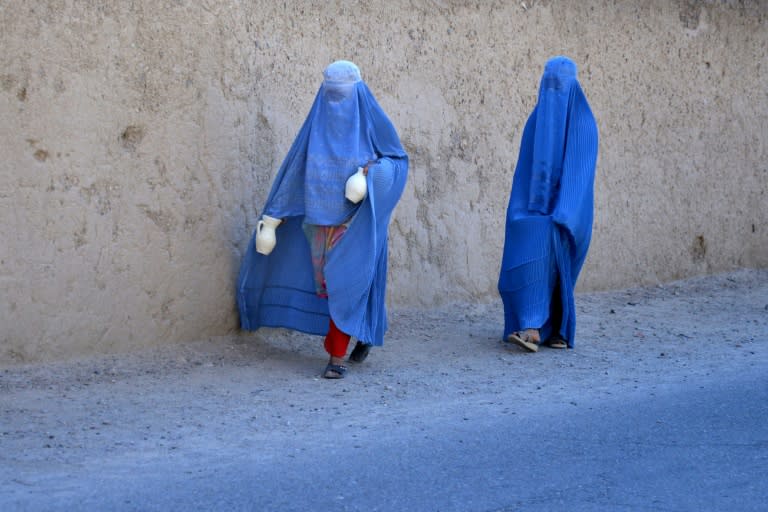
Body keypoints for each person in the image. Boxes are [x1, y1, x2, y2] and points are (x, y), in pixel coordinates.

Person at [237, 60, 409, 378]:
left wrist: (373, 173)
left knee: (342, 283)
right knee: (332, 287)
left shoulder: (372, 122)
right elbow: (294, 172)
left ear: (357, 94)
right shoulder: (315, 128)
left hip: (355, 224)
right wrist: (273, 219)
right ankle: (366, 330)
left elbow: (398, 161)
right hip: (317, 223)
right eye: (331, 95)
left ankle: (336, 358)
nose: (336, 103)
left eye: (342, 95)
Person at [498, 56, 598, 352]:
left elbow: (580, 174)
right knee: (528, 245)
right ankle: (529, 326)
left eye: (560, 85)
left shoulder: (585, 125)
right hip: (530, 209)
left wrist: (564, 214)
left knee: (557, 263)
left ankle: (554, 330)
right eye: (549, 84)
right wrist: (520, 211)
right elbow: (525, 171)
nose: (553, 90)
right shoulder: (536, 121)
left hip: (570, 213)